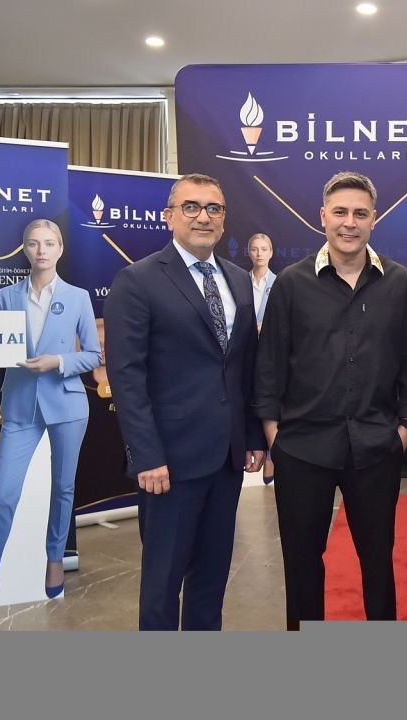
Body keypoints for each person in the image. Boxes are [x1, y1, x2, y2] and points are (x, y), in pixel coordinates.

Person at [254, 171, 407, 629]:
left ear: (374, 219)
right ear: (322, 216)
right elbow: (269, 364)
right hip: (302, 447)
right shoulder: (291, 284)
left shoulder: (401, 284)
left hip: (376, 446)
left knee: (378, 561)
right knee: (302, 563)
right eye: (341, 212)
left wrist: (405, 428)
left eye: (360, 213)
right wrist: (274, 435)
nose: (350, 222)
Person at [105, 173, 266, 630]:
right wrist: (146, 455)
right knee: (162, 584)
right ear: (169, 216)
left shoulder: (239, 280)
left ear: (224, 219)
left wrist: (253, 435)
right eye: (191, 207)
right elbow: (127, 377)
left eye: (214, 208)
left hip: (227, 458)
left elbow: (245, 367)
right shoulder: (136, 280)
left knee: (211, 582)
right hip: (168, 463)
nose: (203, 217)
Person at [0, 219, 102, 611]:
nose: (41, 250)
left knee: (63, 488)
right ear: (24, 249)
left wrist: (58, 361)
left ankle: (54, 558)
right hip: (20, 403)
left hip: (68, 403)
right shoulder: (6, 297)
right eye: (33, 243)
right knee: (3, 493)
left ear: (60, 249)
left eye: (49, 243)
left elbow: (94, 355)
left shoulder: (78, 297)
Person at [247, 232, 278, 484]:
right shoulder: (239, 282)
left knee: (269, 402)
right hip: (245, 354)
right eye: (255, 249)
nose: (259, 254)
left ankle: (270, 457)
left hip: (270, 355)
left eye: (264, 249)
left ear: (271, 252)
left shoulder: (280, 284)